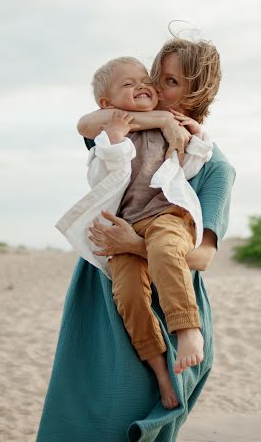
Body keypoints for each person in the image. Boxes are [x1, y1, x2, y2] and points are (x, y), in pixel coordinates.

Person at [36, 36, 235, 442]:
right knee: (75, 417)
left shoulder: (213, 164)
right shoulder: (126, 130)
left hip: (169, 298)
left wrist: (134, 244)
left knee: (134, 425)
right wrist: (161, 120)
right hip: (101, 293)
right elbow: (87, 123)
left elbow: (203, 257)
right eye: (154, 77)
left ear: (196, 93)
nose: (157, 89)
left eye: (171, 82)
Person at [56, 55, 214, 409]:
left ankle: (188, 329)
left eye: (146, 80)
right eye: (129, 84)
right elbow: (102, 180)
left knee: (165, 249)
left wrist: (198, 139)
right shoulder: (107, 139)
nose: (143, 85)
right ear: (107, 104)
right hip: (126, 222)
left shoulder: (170, 126)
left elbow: (187, 168)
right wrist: (114, 141)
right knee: (127, 293)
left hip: (166, 215)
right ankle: (159, 368)